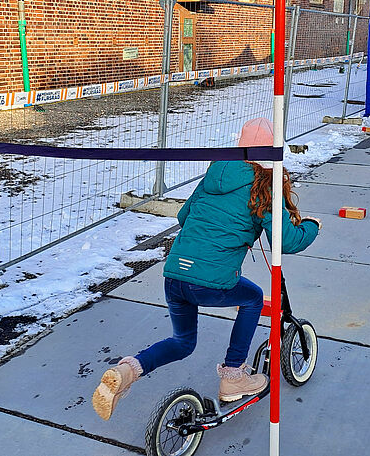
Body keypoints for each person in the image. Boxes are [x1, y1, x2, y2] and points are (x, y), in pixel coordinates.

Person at [92, 118, 321, 421]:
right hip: (209, 280)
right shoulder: (265, 185)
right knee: (252, 299)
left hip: (175, 274)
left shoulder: (215, 174)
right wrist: (311, 227)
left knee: (182, 341)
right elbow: (287, 241)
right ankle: (234, 374)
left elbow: (184, 216)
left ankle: (127, 371)